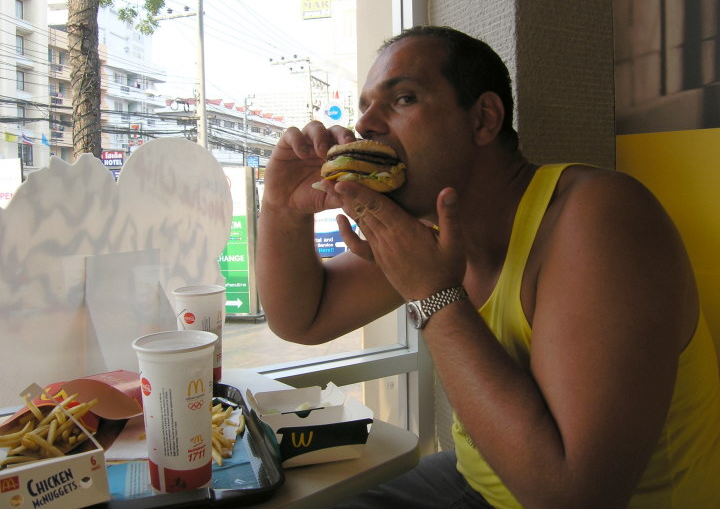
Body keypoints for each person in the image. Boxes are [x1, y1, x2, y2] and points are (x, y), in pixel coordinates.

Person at [256, 26, 720, 508]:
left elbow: (573, 496)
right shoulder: (433, 229)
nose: (366, 125)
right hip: (477, 481)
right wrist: (282, 207)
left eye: (403, 99)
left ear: (483, 119)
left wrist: (431, 294)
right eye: (364, 107)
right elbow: (302, 319)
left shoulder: (597, 218)